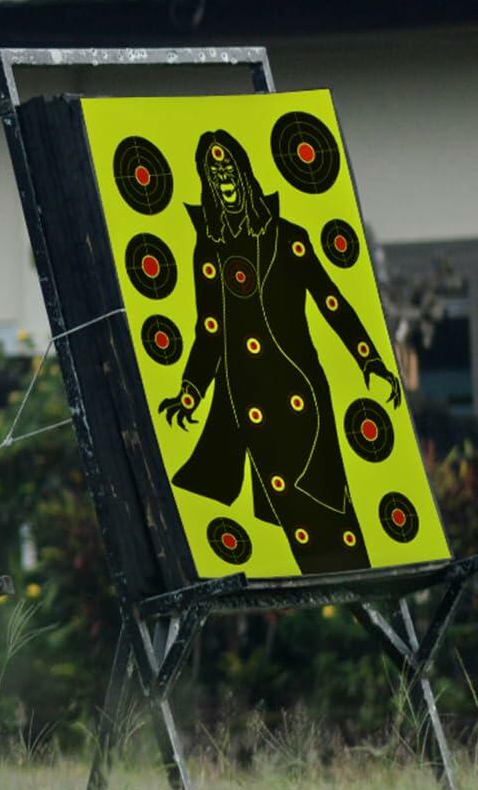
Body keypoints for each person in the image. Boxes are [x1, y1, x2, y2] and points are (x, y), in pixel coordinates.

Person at [158, 129, 400, 573]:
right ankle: (317, 590)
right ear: (207, 181)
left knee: (327, 499)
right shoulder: (208, 250)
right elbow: (210, 331)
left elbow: (331, 301)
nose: (223, 176)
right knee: (289, 513)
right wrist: (189, 392)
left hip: (301, 392)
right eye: (213, 170)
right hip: (249, 400)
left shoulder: (288, 237)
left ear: (244, 172)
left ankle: (356, 580)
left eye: (228, 166)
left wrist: (369, 360)